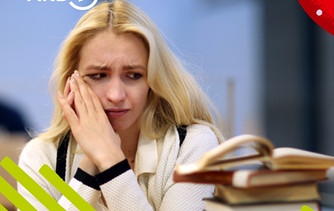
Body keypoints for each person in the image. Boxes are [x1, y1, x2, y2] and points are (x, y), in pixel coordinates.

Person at [18, 0, 224, 210]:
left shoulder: (193, 144)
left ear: (153, 81)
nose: (116, 95)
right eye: (98, 75)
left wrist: (109, 161)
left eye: (134, 75)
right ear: (71, 80)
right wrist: (90, 167)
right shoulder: (38, 156)